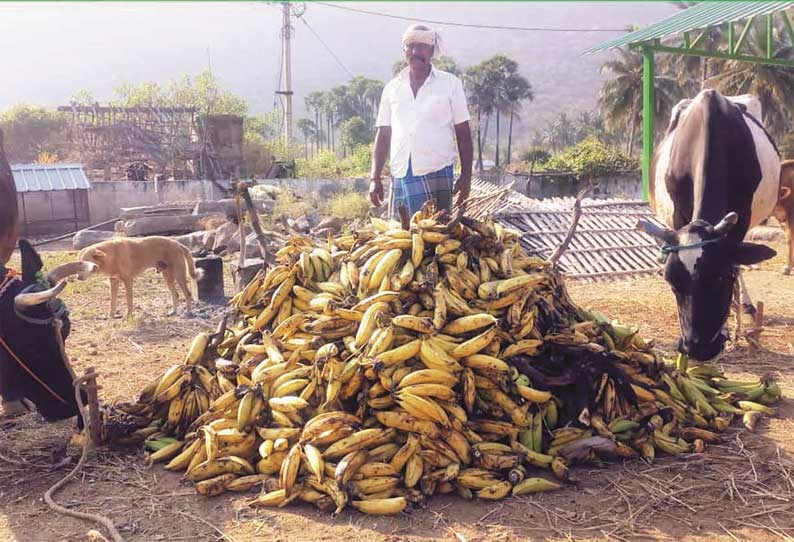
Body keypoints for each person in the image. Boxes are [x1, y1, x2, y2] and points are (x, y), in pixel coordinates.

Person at [369, 24, 473, 218]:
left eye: (422, 46)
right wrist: (374, 177)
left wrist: (466, 176)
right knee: (401, 239)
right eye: (410, 46)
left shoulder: (450, 84)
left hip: (437, 171)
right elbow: (383, 134)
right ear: (404, 50)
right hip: (401, 174)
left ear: (432, 50)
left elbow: (464, 133)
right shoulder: (392, 88)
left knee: (436, 240)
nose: (416, 52)